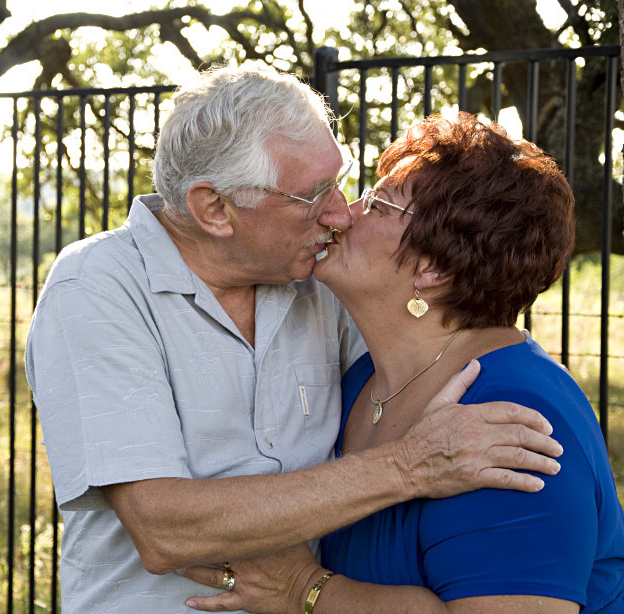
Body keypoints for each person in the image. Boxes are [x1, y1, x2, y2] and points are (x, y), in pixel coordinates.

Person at [24, 66, 564, 613]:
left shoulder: (319, 280)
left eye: (340, 180)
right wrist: (410, 466)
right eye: (312, 195)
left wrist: (542, 385)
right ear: (215, 210)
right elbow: (164, 529)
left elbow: (430, 344)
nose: (340, 214)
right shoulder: (97, 288)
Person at [180, 112, 624, 613]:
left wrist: (302, 590)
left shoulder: (515, 413)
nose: (344, 213)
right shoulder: (361, 380)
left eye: (378, 204)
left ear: (433, 267)